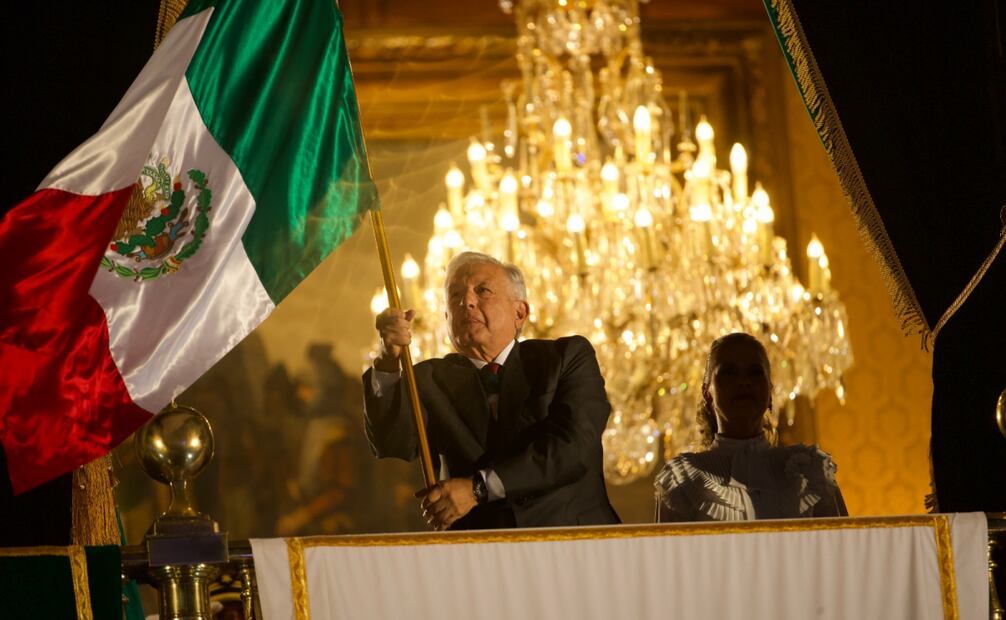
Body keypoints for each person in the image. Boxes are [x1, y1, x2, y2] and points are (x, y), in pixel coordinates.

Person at [364, 251, 620, 530]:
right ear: (446, 316)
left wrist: (478, 489)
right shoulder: (427, 379)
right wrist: (388, 361)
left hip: (575, 542)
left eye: (482, 290)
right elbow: (393, 442)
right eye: (455, 295)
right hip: (477, 553)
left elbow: (573, 448)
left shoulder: (566, 358)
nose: (467, 302)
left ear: (520, 312)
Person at [655, 332, 848, 522]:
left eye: (755, 372)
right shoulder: (682, 479)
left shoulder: (811, 471)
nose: (744, 382)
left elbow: (842, 548)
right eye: (729, 372)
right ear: (707, 392)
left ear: (770, 391)